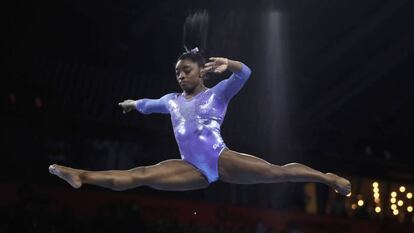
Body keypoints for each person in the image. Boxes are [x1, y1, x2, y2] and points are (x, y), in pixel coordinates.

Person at [49, 11, 351, 196]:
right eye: (177, 72)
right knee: (139, 176)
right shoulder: (172, 100)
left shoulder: (217, 94)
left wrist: (228, 62)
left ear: (200, 70)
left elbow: (245, 74)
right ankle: (81, 175)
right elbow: (149, 104)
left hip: (220, 158)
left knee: (277, 172)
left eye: (186, 70)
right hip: (191, 167)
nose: (180, 76)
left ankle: (327, 179)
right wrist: (132, 102)